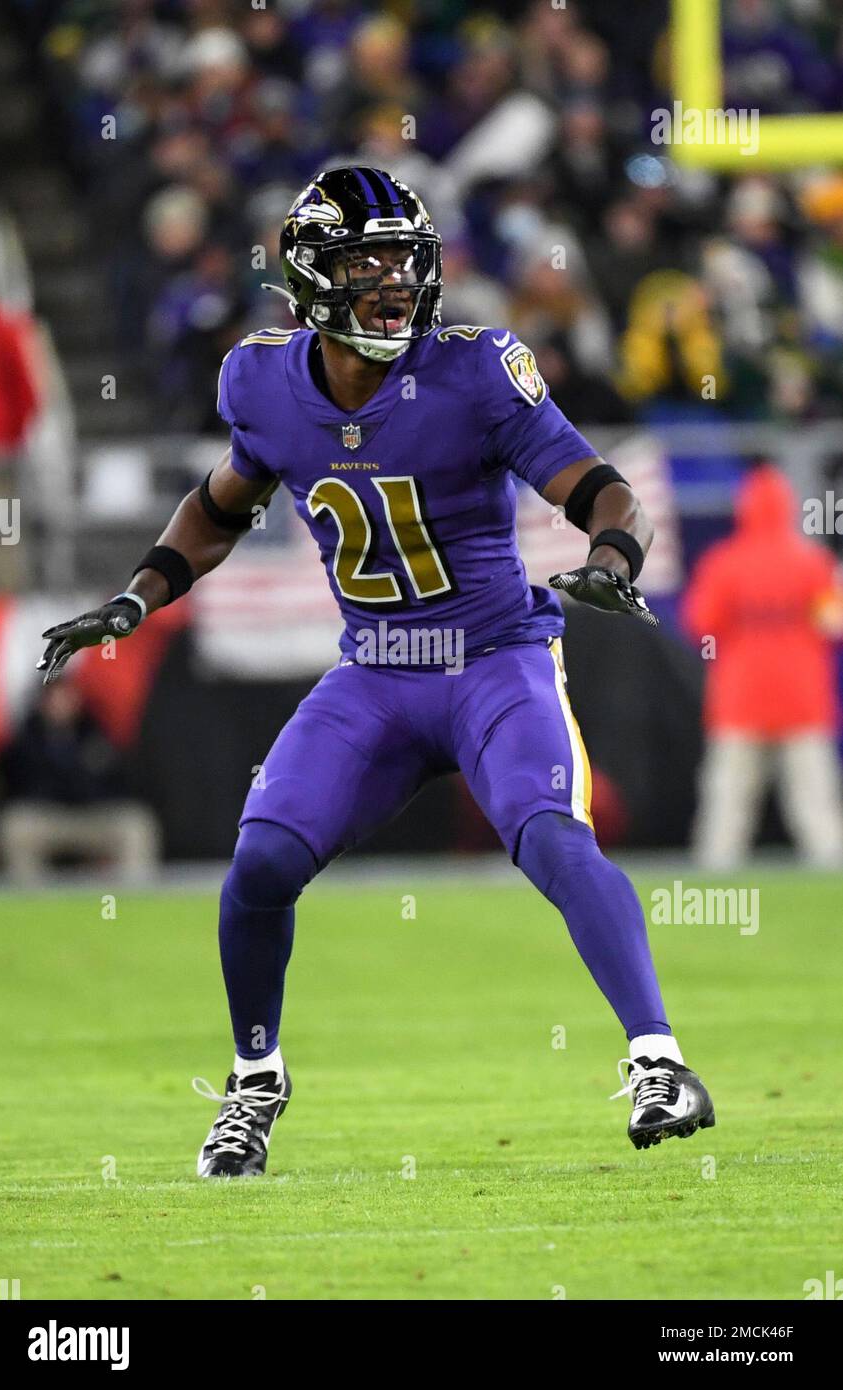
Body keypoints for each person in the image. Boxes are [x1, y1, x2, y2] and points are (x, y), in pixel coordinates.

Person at [38, 167, 714, 1176]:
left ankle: (659, 1060)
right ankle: (254, 1080)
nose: (394, 281)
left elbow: (604, 490)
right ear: (312, 278)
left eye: (405, 257)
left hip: (494, 658)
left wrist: (613, 559)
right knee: (259, 863)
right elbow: (222, 505)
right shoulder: (262, 381)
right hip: (377, 672)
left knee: (548, 837)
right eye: (367, 261)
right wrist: (141, 592)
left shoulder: (474, 368)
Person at [684, 463, 843, 868]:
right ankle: (830, 882)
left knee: (729, 805)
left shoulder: (723, 563)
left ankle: (714, 883)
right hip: (803, 700)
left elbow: (699, 625)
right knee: (815, 805)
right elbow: (833, 624)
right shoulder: (813, 563)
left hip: (740, 700)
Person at [0, 679, 160, 880]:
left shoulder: (95, 735)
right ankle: (32, 903)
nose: (62, 704)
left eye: (68, 698)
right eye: (56, 699)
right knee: (14, 827)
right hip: (48, 818)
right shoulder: (24, 742)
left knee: (136, 824)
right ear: (42, 703)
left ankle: (132, 904)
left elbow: (116, 784)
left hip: (91, 817)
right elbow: (16, 788)